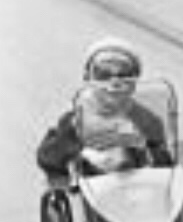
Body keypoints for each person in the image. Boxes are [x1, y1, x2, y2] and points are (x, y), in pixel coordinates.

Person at [37, 37, 172, 182]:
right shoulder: (76, 118)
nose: (114, 82)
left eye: (124, 75)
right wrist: (85, 154)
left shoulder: (147, 120)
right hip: (91, 187)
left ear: (134, 82)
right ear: (88, 78)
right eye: (103, 74)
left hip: (137, 185)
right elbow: (49, 155)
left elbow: (164, 161)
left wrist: (144, 155)